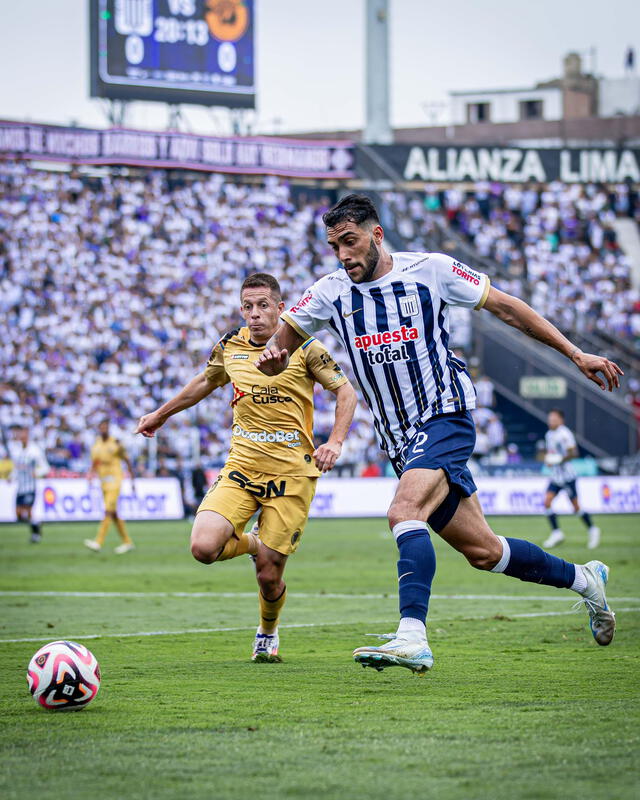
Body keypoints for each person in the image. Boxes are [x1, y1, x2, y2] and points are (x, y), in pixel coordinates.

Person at [256, 193, 622, 675]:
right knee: (484, 552)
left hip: (445, 415)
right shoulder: (330, 290)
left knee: (403, 511)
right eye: (334, 246)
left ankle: (412, 636)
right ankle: (585, 580)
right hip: (399, 441)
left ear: (376, 235)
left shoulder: (431, 270)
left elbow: (507, 308)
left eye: (350, 241)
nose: (344, 255)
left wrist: (576, 355)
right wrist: (277, 354)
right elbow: (285, 334)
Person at [135, 273, 356, 662]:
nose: (255, 314)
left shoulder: (304, 346)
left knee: (269, 577)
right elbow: (206, 381)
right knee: (203, 547)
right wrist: (161, 414)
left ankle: (267, 633)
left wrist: (334, 441)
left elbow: (346, 391)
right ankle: (255, 544)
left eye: (263, 306)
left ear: (280, 309)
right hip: (241, 467)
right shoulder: (231, 345)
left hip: (291, 475)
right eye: (248, 307)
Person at [542, 408, 600, 550]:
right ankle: (557, 533)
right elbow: (551, 452)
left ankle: (593, 529)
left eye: (554, 419)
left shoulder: (565, 434)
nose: (551, 421)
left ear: (561, 420)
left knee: (575, 507)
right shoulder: (549, 434)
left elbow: (574, 453)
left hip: (568, 476)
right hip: (556, 476)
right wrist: (549, 459)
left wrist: (557, 459)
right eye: (550, 419)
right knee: (547, 501)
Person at [84, 419, 136, 554]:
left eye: (105, 427)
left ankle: (98, 541)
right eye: (101, 427)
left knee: (107, 510)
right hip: (103, 482)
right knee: (113, 513)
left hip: (115, 481)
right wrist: (90, 474)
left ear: (108, 428)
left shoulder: (116, 443)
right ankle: (127, 542)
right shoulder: (96, 444)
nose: (103, 429)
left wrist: (132, 480)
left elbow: (127, 460)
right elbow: (95, 462)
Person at [8, 427, 49, 543]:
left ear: (28, 436)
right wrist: (12, 477)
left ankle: (35, 534)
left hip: (30, 487)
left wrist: (37, 473)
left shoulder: (35, 451)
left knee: (28, 510)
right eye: (21, 435)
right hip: (20, 487)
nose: (22, 437)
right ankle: (36, 524)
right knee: (19, 514)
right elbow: (17, 468)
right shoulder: (17, 451)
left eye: (24, 435)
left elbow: (45, 467)